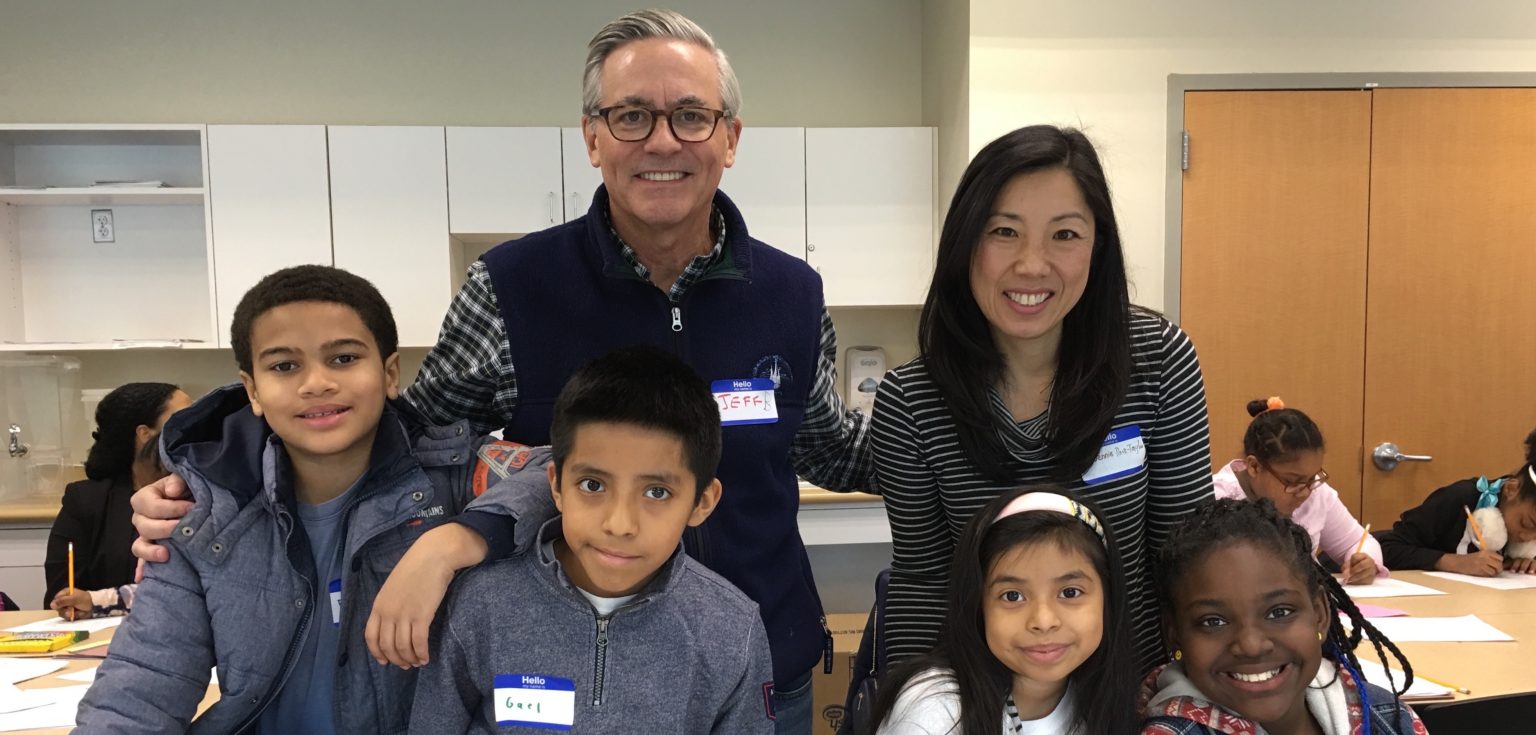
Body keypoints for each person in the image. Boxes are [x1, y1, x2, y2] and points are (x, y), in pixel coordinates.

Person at [74, 266, 547, 735]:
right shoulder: (205, 513)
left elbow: (561, 472)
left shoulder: (454, 476)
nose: (316, 383)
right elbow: (142, 686)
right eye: (284, 365)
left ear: (389, 373)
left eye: (343, 358)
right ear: (253, 390)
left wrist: (451, 542)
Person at [873, 125, 1212, 671]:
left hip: (1134, 688)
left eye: (1065, 235)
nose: (1031, 264)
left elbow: (1188, 555)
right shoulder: (911, 401)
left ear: (1096, 248)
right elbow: (925, 581)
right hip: (986, 698)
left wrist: (1182, 689)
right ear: (965, 244)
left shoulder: (1155, 360)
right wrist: (915, 704)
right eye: (1003, 231)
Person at [410, 347, 773, 734]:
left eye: (656, 493)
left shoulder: (732, 629)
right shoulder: (479, 605)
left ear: (702, 502)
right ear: (557, 486)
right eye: (592, 485)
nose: (619, 524)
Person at [1141, 498, 1425, 735]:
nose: (1251, 645)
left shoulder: (1383, 715)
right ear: (1174, 634)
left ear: (1320, 615)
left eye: (1279, 612)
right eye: (1213, 621)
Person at [867, 487, 1137, 735]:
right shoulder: (935, 713)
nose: (1043, 621)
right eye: (1013, 596)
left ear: (1107, 599)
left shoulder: (1104, 700)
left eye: (1070, 592)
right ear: (978, 605)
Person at [44, 382, 191, 615]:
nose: (197, 426)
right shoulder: (86, 501)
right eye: (184, 418)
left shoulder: (202, 493)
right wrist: (77, 603)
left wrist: (100, 601)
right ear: (144, 433)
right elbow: (60, 593)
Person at [1211, 397, 1385, 585]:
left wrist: (1365, 561)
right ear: (1254, 466)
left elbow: (1356, 541)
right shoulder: (1215, 498)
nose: (1305, 492)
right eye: (1292, 481)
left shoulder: (1316, 493)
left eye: (1312, 479)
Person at [1375, 426, 1536, 576]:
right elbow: (1386, 548)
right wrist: (1451, 562)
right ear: (1511, 489)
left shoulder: (1527, 531)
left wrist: (1524, 563)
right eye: (1526, 524)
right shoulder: (1460, 497)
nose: (1527, 537)